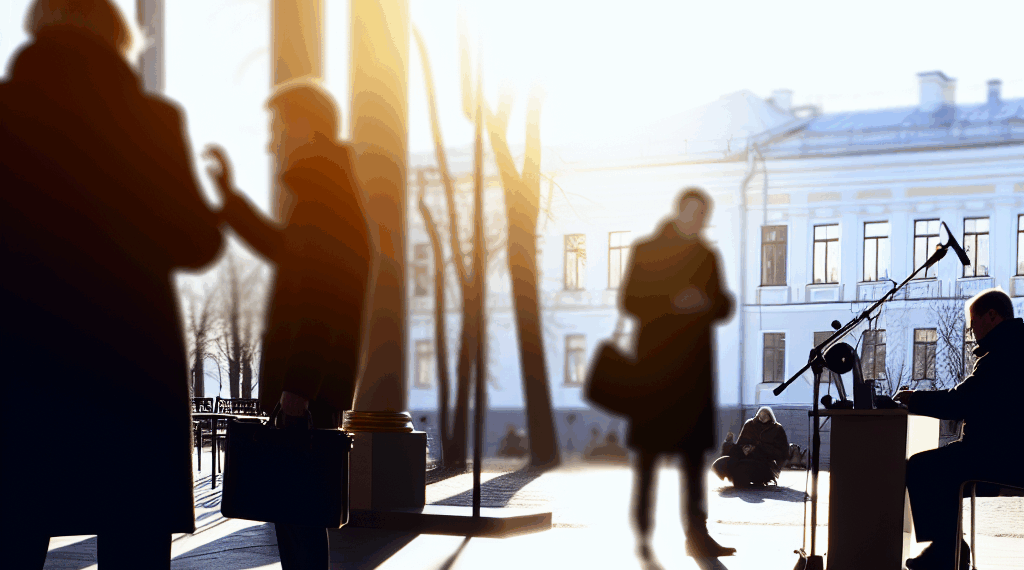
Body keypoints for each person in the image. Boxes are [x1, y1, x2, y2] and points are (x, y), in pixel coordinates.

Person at [0, 1, 223, 567]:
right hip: (131, 379)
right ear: (119, 36)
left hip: (23, 373)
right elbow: (197, 245)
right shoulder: (153, 121)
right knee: (133, 539)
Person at [205, 80, 377, 570]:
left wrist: (298, 386)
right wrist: (231, 199)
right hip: (313, 385)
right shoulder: (327, 194)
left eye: (278, 128)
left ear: (307, 127)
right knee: (300, 517)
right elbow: (286, 253)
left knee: (297, 523)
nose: (271, 141)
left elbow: (325, 297)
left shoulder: (323, 198)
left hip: (307, 389)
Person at [620, 187, 735, 560]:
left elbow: (723, 304)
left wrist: (706, 302)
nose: (699, 222)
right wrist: (672, 302)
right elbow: (629, 300)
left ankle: (696, 536)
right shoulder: (646, 250)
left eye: (704, 216)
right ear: (680, 212)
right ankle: (641, 534)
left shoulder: (708, 255)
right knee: (649, 457)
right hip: (655, 369)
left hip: (693, 372)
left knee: (691, 459)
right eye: (694, 214)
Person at [895, 288, 1024, 570]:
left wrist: (912, 398)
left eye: (974, 322)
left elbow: (960, 402)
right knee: (941, 468)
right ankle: (951, 549)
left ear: (992, 316)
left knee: (922, 468)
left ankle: (947, 553)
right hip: (1010, 452)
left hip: (1001, 456)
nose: (972, 330)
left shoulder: (1003, 354)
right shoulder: (1012, 347)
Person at [711, 407, 789, 487]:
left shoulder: (777, 428)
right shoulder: (750, 424)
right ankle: (737, 477)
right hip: (745, 457)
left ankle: (743, 479)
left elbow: (782, 453)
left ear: (770, 416)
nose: (763, 416)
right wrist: (744, 448)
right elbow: (740, 444)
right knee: (720, 462)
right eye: (761, 414)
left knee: (742, 468)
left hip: (765, 463)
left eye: (766, 415)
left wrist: (759, 447)